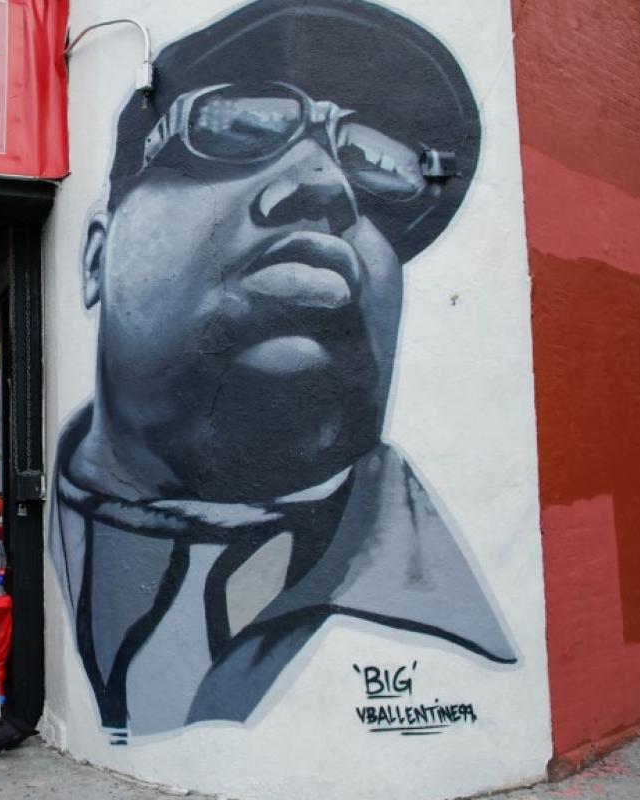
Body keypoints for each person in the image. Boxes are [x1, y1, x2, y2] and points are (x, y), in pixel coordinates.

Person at [49, 0, 516, 739]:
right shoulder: (30, 555)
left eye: (377, 165)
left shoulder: (453, 638)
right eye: (238, 126)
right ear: (97, 258)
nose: (326, 183)